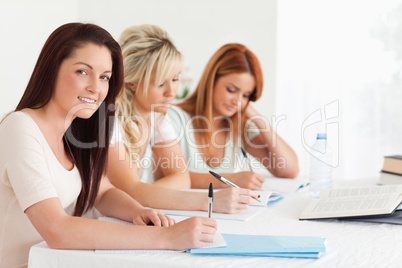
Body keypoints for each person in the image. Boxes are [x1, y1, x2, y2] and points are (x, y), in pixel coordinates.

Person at [0, 23, 217, 268]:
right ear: (52, 69)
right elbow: (56, 228)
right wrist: (165, 237)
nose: (96, 87)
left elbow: (101, 192)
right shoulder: (20, 128)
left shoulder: (74, 133)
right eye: (83, 72)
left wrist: (137, 211)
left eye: (104, 77)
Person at [106, 25, 259, 214]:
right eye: (161, 83)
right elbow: (132, 192)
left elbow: (182, 178)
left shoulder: (157, 118)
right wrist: (208, 200)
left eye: (176, 79)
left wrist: (144, 193)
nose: (171, 92)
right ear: (132, 83)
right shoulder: (109, 121)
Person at [167, 43, 299, 191]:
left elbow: (289, 169)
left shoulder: (237, 126)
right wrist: (230, 180)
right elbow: (167, 177)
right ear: (212, 81)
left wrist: (256, 117)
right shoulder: (174, 118)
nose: (237, 101)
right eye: (231, 90)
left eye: (246, 95)